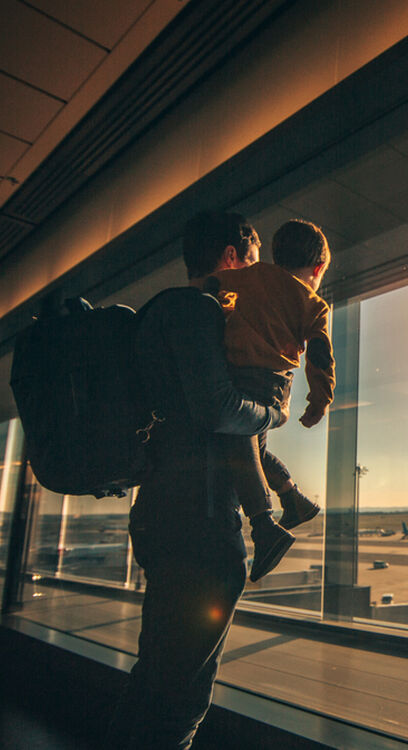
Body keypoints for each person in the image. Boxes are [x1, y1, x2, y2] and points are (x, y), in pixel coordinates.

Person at [106, 210, 290, 748]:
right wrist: (271, 415)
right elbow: (217, 410)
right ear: (231, 258)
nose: (255, 276)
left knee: (157, 677)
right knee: (183, 695)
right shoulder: (197, 311)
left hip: (164, 512)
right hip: (200, 523)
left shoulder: (159, 314)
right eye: (252, 263)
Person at [209, 219, 333, 546]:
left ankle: (267, 521)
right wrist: (320, 401)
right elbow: (321, 357)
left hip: (240, 375)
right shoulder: (314, 304)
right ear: (318, 268)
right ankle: (292, 500)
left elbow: (209, 285)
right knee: (253, 448)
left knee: (243, 445)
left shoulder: (251, 276)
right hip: (274, 385)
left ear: (277, 255)